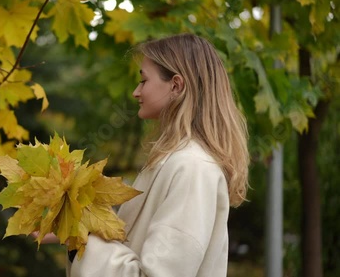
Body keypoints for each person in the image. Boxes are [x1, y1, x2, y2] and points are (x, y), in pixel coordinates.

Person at [40, 33, 249, 276]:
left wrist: (82, 237)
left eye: (143, 81)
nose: (136, 92)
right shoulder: (175, 161)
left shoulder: (192, 168)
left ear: (176, 85)